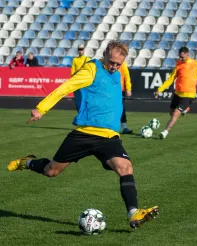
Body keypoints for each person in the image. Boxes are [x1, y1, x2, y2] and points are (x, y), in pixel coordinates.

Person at [7, 41, 159, 229]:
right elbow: (65, 87)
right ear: (104, 54)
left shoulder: (118, 71)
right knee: (51, 171)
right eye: (111, 62)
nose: (114, 67)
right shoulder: (91, 70)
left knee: (126, 168)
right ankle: (28, 162)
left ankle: (134, 213)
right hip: (84, 134)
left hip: (109, 137)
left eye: (118, 64)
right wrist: (41, 108)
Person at [154, 47, 197, 139]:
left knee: (176, 114)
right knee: (171, 113)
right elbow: (171, 79)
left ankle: (165, 132)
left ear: (188, 54)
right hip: (177, 93)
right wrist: (159, 90)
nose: (180, 58)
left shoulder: (196, 64)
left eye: (182, 57)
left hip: (188, 94)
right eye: (179, 57)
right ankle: (186, 108)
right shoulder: (179, 63)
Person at [71, 44, 91, 111]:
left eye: (82, 49)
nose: (80, 51)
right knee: (78, 100)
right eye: (79, 49)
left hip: (84, 82)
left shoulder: (87, 59)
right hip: (77, 82)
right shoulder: (75, 60)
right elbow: (72, 73)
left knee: (85, 99)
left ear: (84, 50)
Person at [118, 61, 133, 134]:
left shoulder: (123, 63)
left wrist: (128, 89)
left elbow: (127, 76)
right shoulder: (108, 63)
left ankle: (124, 127)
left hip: (120, 90)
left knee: (122, 108)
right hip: (110, 89)